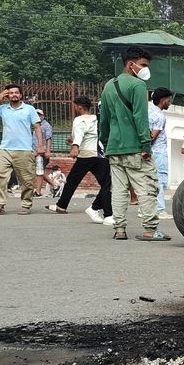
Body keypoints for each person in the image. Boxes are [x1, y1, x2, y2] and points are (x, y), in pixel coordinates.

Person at [98, 46, 168, 241]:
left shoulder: (109, 86)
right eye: (143, 65)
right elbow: (140, 117)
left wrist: (106, 142)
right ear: (131, 65)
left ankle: (119, 229)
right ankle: (150, 230)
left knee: (119, 190)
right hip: (135, 148)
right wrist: (146, 145)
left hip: (114, 148)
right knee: (147, 187)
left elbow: (103, 119)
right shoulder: (138, 86)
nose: (146, 69)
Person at [46, 96, 113, 224]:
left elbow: (80, 133)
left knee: (72, 181)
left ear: (79, 107)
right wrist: (75, 143)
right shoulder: (96, 119)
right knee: (106, 184)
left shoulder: (79, 120)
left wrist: (75, 146)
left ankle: (63, 205)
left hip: (85, 155)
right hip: (99, 154)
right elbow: (93, 135)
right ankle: (106, 213)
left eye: (74, 106)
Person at [0, 84, 44, 215]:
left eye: (16, 92)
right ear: (7, 95)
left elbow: (37, 127)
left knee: (27, 180)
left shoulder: (29, 109)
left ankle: (26, 205)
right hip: (5, 149)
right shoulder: (3, 109)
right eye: (10, 93)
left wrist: (40, 145)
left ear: (21, 95)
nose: (14, 95)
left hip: (24, 150)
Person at [148, 87, 172, 217]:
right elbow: (153, 136)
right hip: (159, 152)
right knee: (160, 181)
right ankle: (160, 210)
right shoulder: (159, 116)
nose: (169, 103)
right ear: (163, 100)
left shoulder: (148, 111)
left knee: (149, 181)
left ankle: (146, 209)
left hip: (150, 152)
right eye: (168, 100)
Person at [32, 109, 55, 198]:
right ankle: (54, 185)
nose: (38, 117)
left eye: (39, 115)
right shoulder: (36, 125)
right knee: (38, 171)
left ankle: (38, 191)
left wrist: (48, 151)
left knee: (39, 171)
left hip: (42, 152)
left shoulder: (46, 126)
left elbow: (48, 138)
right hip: (35, 152)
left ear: (43, 116)